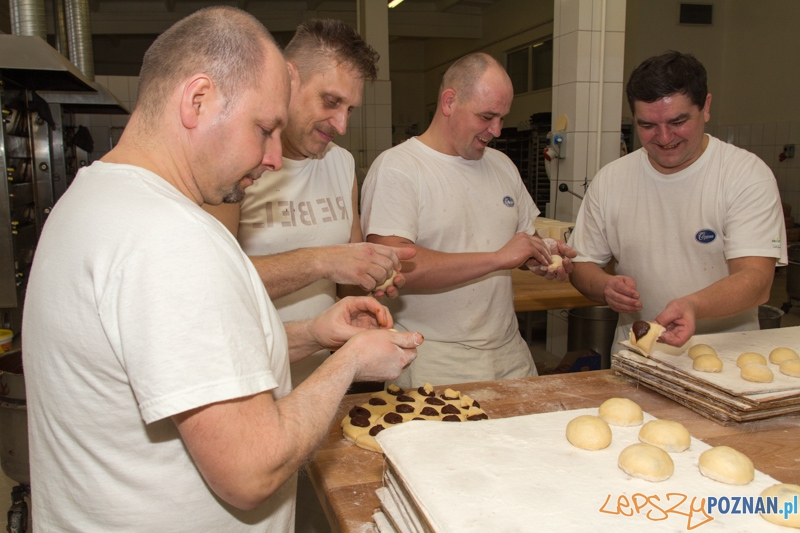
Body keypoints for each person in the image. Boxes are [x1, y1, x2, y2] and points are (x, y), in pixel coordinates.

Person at [22, 7, 420, 531]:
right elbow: (251, 470)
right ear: (198, 100)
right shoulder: (172, 237)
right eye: (264, 129)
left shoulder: (92, 198)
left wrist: (312, 333)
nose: (275, 157)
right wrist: (348, 361)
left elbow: (180, 358)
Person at [205, 18, 410, 388]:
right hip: (248, 380)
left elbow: (346, 274)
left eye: (351, 109)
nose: (342, 124)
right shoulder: (235, 162)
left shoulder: (341, 163)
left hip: (321, 378)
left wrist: (367, 284)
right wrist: (322, 261)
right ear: (288, 77)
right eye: (331, 102)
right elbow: (211, 281)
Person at [360, 52, 574, 388]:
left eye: (502, 117)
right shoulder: (399, 168)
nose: (497, 130)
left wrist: (538, 255)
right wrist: (497, 259)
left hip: (510, 351)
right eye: (487, 116)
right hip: (433, 357)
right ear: (449, 101)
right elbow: (392, 267)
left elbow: (522, 239)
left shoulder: (502, 165)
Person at [568, 50, 787, 349]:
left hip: (726, 357)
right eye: (647, 126)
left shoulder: (744, 175)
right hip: (639, 355)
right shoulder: (611, 179)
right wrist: (605, 286)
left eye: (678, 121)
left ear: (706, 107)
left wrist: (694, 305)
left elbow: (757, 281)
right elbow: (582, 266)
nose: (664, 137)